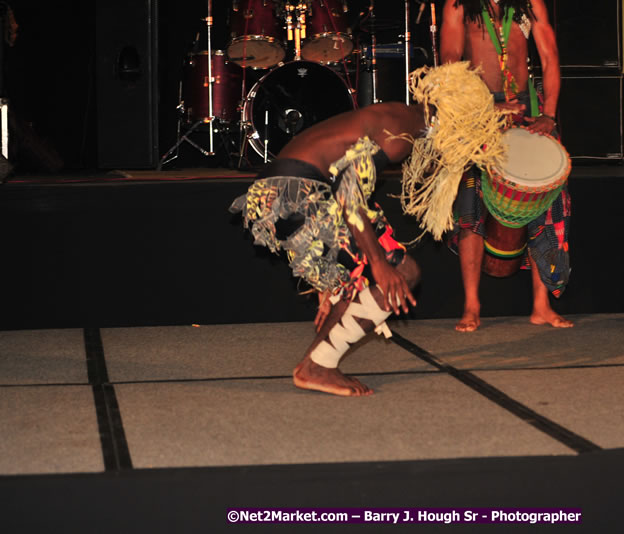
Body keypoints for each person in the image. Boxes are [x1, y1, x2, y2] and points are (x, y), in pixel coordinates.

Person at [231, 62, 507, 396]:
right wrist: (376, 263)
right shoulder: (398, 134)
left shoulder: (407, 118)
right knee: (397, 273)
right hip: (297, 190)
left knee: (386, 272)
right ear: (451, 117)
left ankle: (314, 364)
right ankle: (319, 365)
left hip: (294, 186)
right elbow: (350, 195)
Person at [438, 0, 572, 332]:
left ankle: (541, 305)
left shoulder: (529, 2)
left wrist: (549, 115)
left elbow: (550, 57)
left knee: (543, 198)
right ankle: (471, 305)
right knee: (471, 205)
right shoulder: (458, 4)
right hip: (477, 109)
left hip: (526, 107)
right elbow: (450, 63)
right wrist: (489, 105)